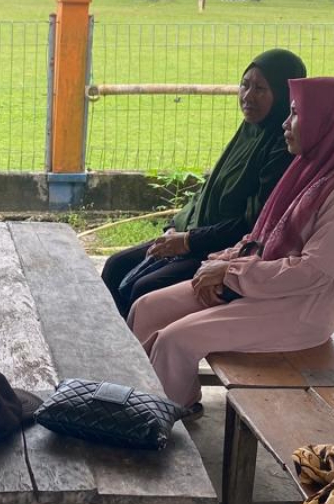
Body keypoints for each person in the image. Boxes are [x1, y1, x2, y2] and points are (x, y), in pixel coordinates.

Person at [128, 77, 334, 413]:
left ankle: (160, 421)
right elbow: (261, 237)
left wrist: (230, 274)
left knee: (175, 340)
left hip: (302, 307)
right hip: (263, 284)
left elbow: (313, 272)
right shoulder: (311, 170)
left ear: (330, 123)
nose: (285, 123)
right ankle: (169, 402)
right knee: (147, 308)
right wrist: (221, 264)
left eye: (296, 114)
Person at [102, 49, 307, 317]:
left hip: (225, 251)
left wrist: (189, 241)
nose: (248, 96)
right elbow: (208, 190)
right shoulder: (249, 131)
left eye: (260, 89)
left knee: (144, 287)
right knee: (116, 266)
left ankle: (139, 344)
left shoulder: (282, 148)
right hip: (194, 234)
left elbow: (254, 224)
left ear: (282, 95)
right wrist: (175, 227)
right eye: (245, 85)